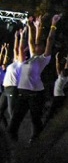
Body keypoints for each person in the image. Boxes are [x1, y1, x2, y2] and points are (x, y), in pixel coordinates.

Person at [9, 14, 59, 143]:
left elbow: (49, 40)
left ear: (43, 49)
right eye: (36, 45)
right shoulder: (31, 57)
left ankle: (37, 139)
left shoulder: (43, 59)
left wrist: (53, 24)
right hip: (23, 93)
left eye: (39, 45)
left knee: (35, 119)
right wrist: (31, 26)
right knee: (15, 119)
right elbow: (31, 41)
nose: (36, 46)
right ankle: (11, 140)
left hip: (35, 94)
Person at [0, 29, 23, 128]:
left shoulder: (20, 64)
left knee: (11, 111)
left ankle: (13, 130)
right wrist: (16, 37)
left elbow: (19, 49)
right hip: (5, 89)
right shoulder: (13, 63)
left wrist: (21, 37)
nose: (15, 54)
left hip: (12, 88)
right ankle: (7, 128)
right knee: (0, 109)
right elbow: (15, 49)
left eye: (17, 55)